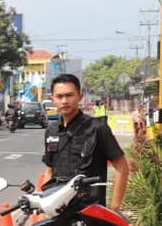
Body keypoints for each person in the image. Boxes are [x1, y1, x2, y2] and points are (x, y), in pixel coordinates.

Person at [40, 73, 129, 208]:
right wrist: (44, 205)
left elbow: (122, 167)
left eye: (69, 95)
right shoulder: (51, 131)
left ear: (80, 96)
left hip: (90, 212)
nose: (64, 101)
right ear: (52, 99)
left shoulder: (98, 128)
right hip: (58, 211)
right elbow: (49, 171)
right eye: (59, 96)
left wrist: (114, 208)